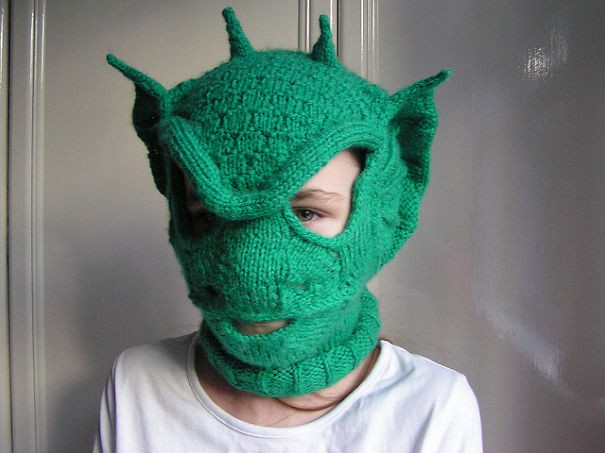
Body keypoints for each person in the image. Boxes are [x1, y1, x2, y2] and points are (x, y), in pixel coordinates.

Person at [95, 7, 482, 452]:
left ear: (382, 214)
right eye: (210, 214)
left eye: (307, 212)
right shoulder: (135, 387)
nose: (248, 269)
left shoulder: (433, 408)